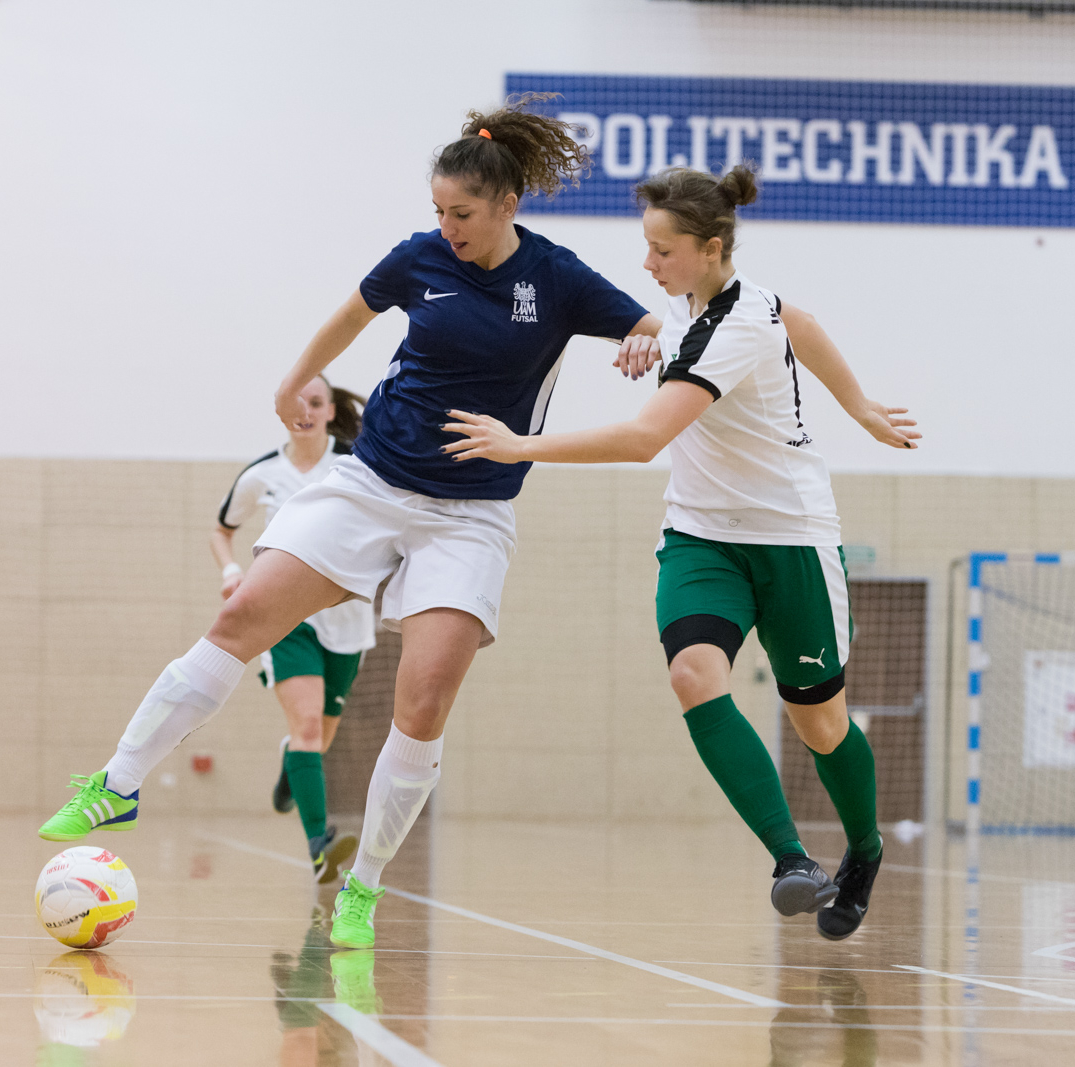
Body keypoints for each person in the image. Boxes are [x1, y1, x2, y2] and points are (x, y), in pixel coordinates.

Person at [38, 93, 663, 953]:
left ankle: (362, 884)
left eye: (464, 214)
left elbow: (655, 326)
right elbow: (354, 311)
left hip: (472, 514)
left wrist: (643, 338)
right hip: (370, 481)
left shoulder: (553, 279)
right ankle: (119, 780)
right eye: (439, 211)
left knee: (424, 699)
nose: (448, 227)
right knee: (238, 618)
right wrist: (297, 372)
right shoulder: (421, 259)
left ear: (508, 205)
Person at [443, 165, 920, 940]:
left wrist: (517, 443)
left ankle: (863, 850)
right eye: (647, 248)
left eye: (662, 251)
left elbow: (642, 438)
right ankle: (790, 858)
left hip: (790, 535)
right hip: (702, 534)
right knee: (693, 673)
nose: (648, 264)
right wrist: (859, 407)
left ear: (710, 246)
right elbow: (802, 322)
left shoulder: (740, 329)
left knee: (821, 725)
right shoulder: (705, 300)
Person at [211, 375, 374, 882]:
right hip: (285, 620)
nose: (306, 410)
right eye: (297, 403)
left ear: (330, 411)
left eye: (317, 402)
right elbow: (222, 528)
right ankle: (319, 845)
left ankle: (291, 766)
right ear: (284, 411)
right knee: (305, 728)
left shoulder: (356, 463)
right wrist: (231, 571)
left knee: (316, 739)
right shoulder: (262, 474)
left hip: (347, 621)